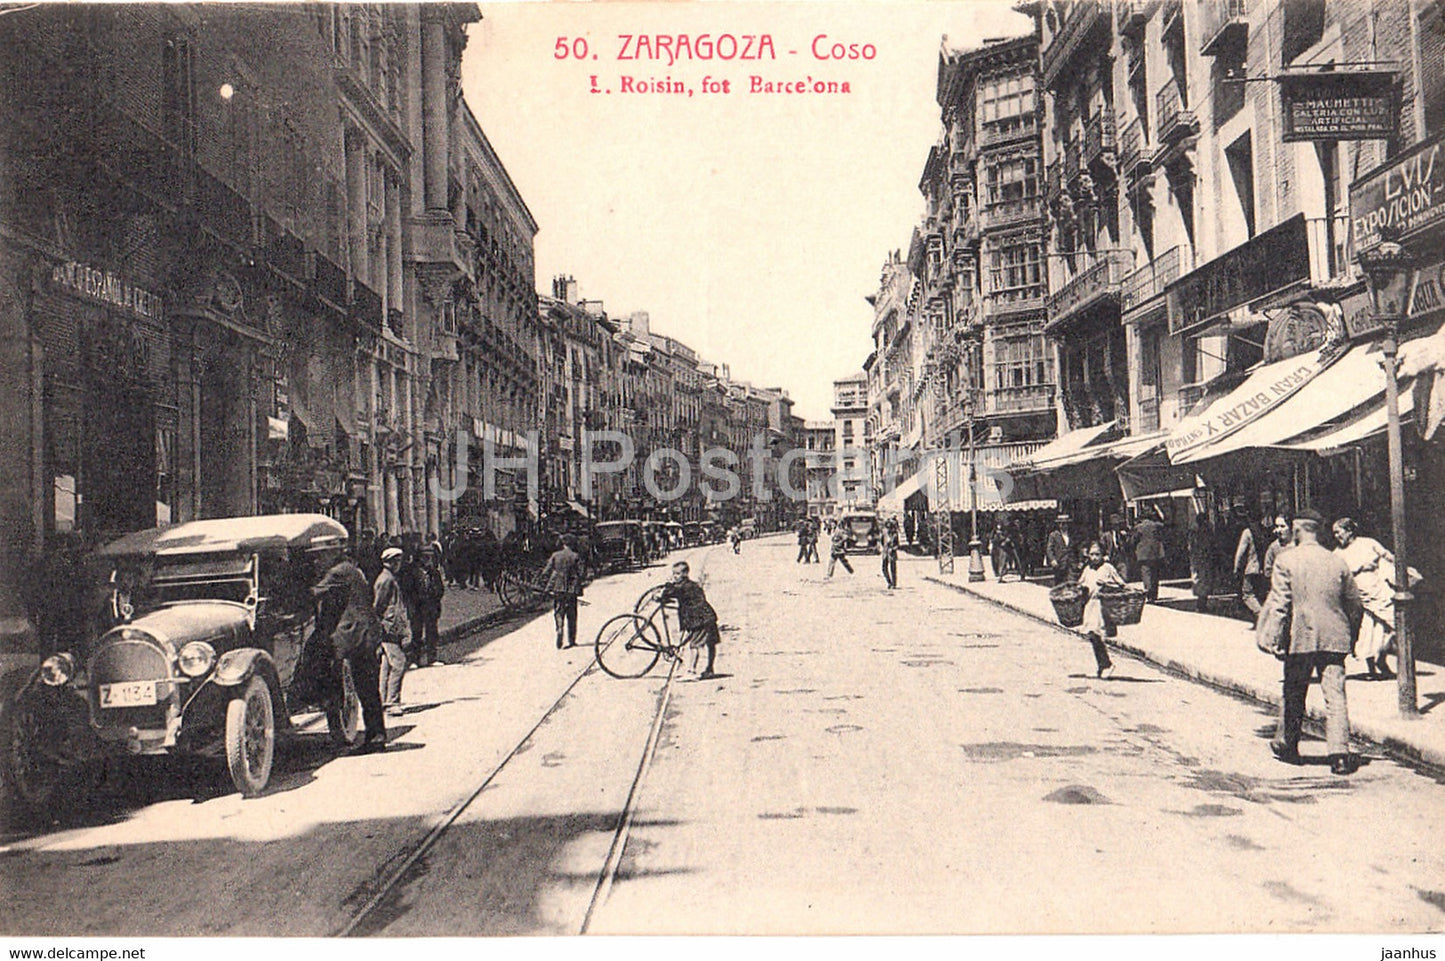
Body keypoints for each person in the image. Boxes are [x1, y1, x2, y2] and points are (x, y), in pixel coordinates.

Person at [1256, 509, 1363, 775]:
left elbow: (1280, 604)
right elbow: (1355, 604)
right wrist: (1351, 635)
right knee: (1335, 697)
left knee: (1294, 692)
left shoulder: (1286, 561)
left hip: (1300, 636)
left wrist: (1272, 638)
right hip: (1335, 636)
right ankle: (1339, 755)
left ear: (1298, 529)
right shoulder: (1336, 561)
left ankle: (1289, 745)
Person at [311, 545, 386, 753]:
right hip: (365, 634)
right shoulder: (351, 568)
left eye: (321, 555)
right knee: (368, 689)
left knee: (366, 688)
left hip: (359, 637)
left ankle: (376, 738)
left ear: (332, 553)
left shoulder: (339, 571)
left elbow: (315, 592)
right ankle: (376, 736)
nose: (318, 560)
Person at [1333, 517, 1416, 680]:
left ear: (1349, 531)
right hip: (1357, 595)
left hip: (1379, 590)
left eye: (1338, 532)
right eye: (1334, 533)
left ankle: (1382, 658)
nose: (1336, 536)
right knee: (1367, 629)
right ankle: (1372, 666)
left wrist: (1402, 567)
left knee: (1392, 624)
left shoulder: (1368, 543)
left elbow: (1387, 555)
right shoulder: (1337, 554)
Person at [659, 560, 719, 679]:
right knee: (710, 643)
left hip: (700, 620)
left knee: (694, 645)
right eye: (674, 574)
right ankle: (709, 669)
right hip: (708, 616)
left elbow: (668, 593)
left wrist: (666, 587)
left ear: (685, 574)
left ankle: (692, 671)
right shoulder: (692, 585)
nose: (674, 577)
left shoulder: (682, 587)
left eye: (677, 574)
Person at [1076, 542, 1125, 679]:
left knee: (1096, 635)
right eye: (1092, 554)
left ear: (1103, 555)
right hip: (1090, 605)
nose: (1094, 557)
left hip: (1102, 606)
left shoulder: (1108, 568)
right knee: (1092, 636)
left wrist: (1107, 584)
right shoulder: (1088, 569)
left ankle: (1107, 664)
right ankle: (1102, 666)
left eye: (1097, 554)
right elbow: (1080, 584)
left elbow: (1121, 585)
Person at [374, 547, 411, 718]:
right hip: (388, 627)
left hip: (391, 625)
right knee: (399, 663)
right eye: (397, 561)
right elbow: (377, 605)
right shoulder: (385, 580)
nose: (399, 564)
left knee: (386, 665)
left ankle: (382, 700)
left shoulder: (389, 578)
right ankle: (392, 702)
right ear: (391, 562)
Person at [539, 534, 585, 649]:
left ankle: (559, 628)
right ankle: (571, 640)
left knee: (559, 611)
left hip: (558, 589)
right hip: (571, 590)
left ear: (563, 544)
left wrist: (546, 584)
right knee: (572, 615)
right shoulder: (576, 556)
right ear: (572, 544)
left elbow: (546, 572)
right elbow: (582, 573)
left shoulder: (555, 556)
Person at [409, 544, 446, 667]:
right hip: (417, 607)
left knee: (432, 633)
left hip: (431, 606)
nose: (427, 559)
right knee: (416, 634)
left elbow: (440, 588)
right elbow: (408, 590)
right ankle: (415, 659)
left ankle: (432, 657)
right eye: (425, 557)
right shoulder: (413, 571)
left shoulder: (434, 572)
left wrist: (435, 597)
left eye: (429, 557)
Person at [1233, 508, 1266, 619]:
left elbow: (1240, 552)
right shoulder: (1264, 530)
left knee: (1247, 594)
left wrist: (1236, 567)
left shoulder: (1247, 532)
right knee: (1259, 594)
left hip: (1251, 568)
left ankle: (1261, 615)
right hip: (1263, 568)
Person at [1133, 511, 1165, 602]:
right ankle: (1154, 594)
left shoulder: (1139, 527)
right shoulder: (1157, 526)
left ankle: (1149, 593)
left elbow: (1134, 539)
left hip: (1143, 554)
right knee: (1155, 574)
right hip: (1156, 553)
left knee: (1146, 573)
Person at [1187, 512, 1214, 614]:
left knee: (1199, 580)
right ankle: (1202, 603)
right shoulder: (1207, 532)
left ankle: (1201, 603)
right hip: (1205, 559)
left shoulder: (1193, 533)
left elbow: (1190, 547)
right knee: (1205, 580)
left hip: (1196, 559)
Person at [1261, 513, 1292, 592]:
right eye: (1277, 526)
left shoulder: (1298, 545)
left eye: (1282, 526)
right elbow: (1268, 570)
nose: (1278, 530)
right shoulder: (1274, 548)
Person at [1045, 514, 1077, 586]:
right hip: (1059, 564)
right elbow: (1049, 549)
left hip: (1071, 563)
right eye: (1060, 523)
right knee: (1059, 584)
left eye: (1065, 523)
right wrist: (1053, 559)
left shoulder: (1072, 535)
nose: (1062, 525)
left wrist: (1080, 560)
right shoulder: (1054, 535)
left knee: (1071, 583)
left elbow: (1077, 548)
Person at [1101, 513, 1133, 583]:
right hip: (1110, 557)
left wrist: (1126, 536)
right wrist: (1104, 555)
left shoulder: (1122, 535)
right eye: (1115, 525)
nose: (1117, 527)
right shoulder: (1106, 535)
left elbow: (1128, 545)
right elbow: (1102, 546)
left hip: (1121, 557)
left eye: (1118, 525)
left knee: (1124, 577)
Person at [881, 516, 900, 589]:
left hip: (892, 554)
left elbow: (897, 545)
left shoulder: (895, 535)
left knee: (893, 569)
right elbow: (882, 542)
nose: (888, 528)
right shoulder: (885, 534)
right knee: (884, 568)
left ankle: (894, 584)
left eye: (890, 526)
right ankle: (889, 582)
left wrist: (893, 549)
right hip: (885, 553)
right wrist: (885, 549)